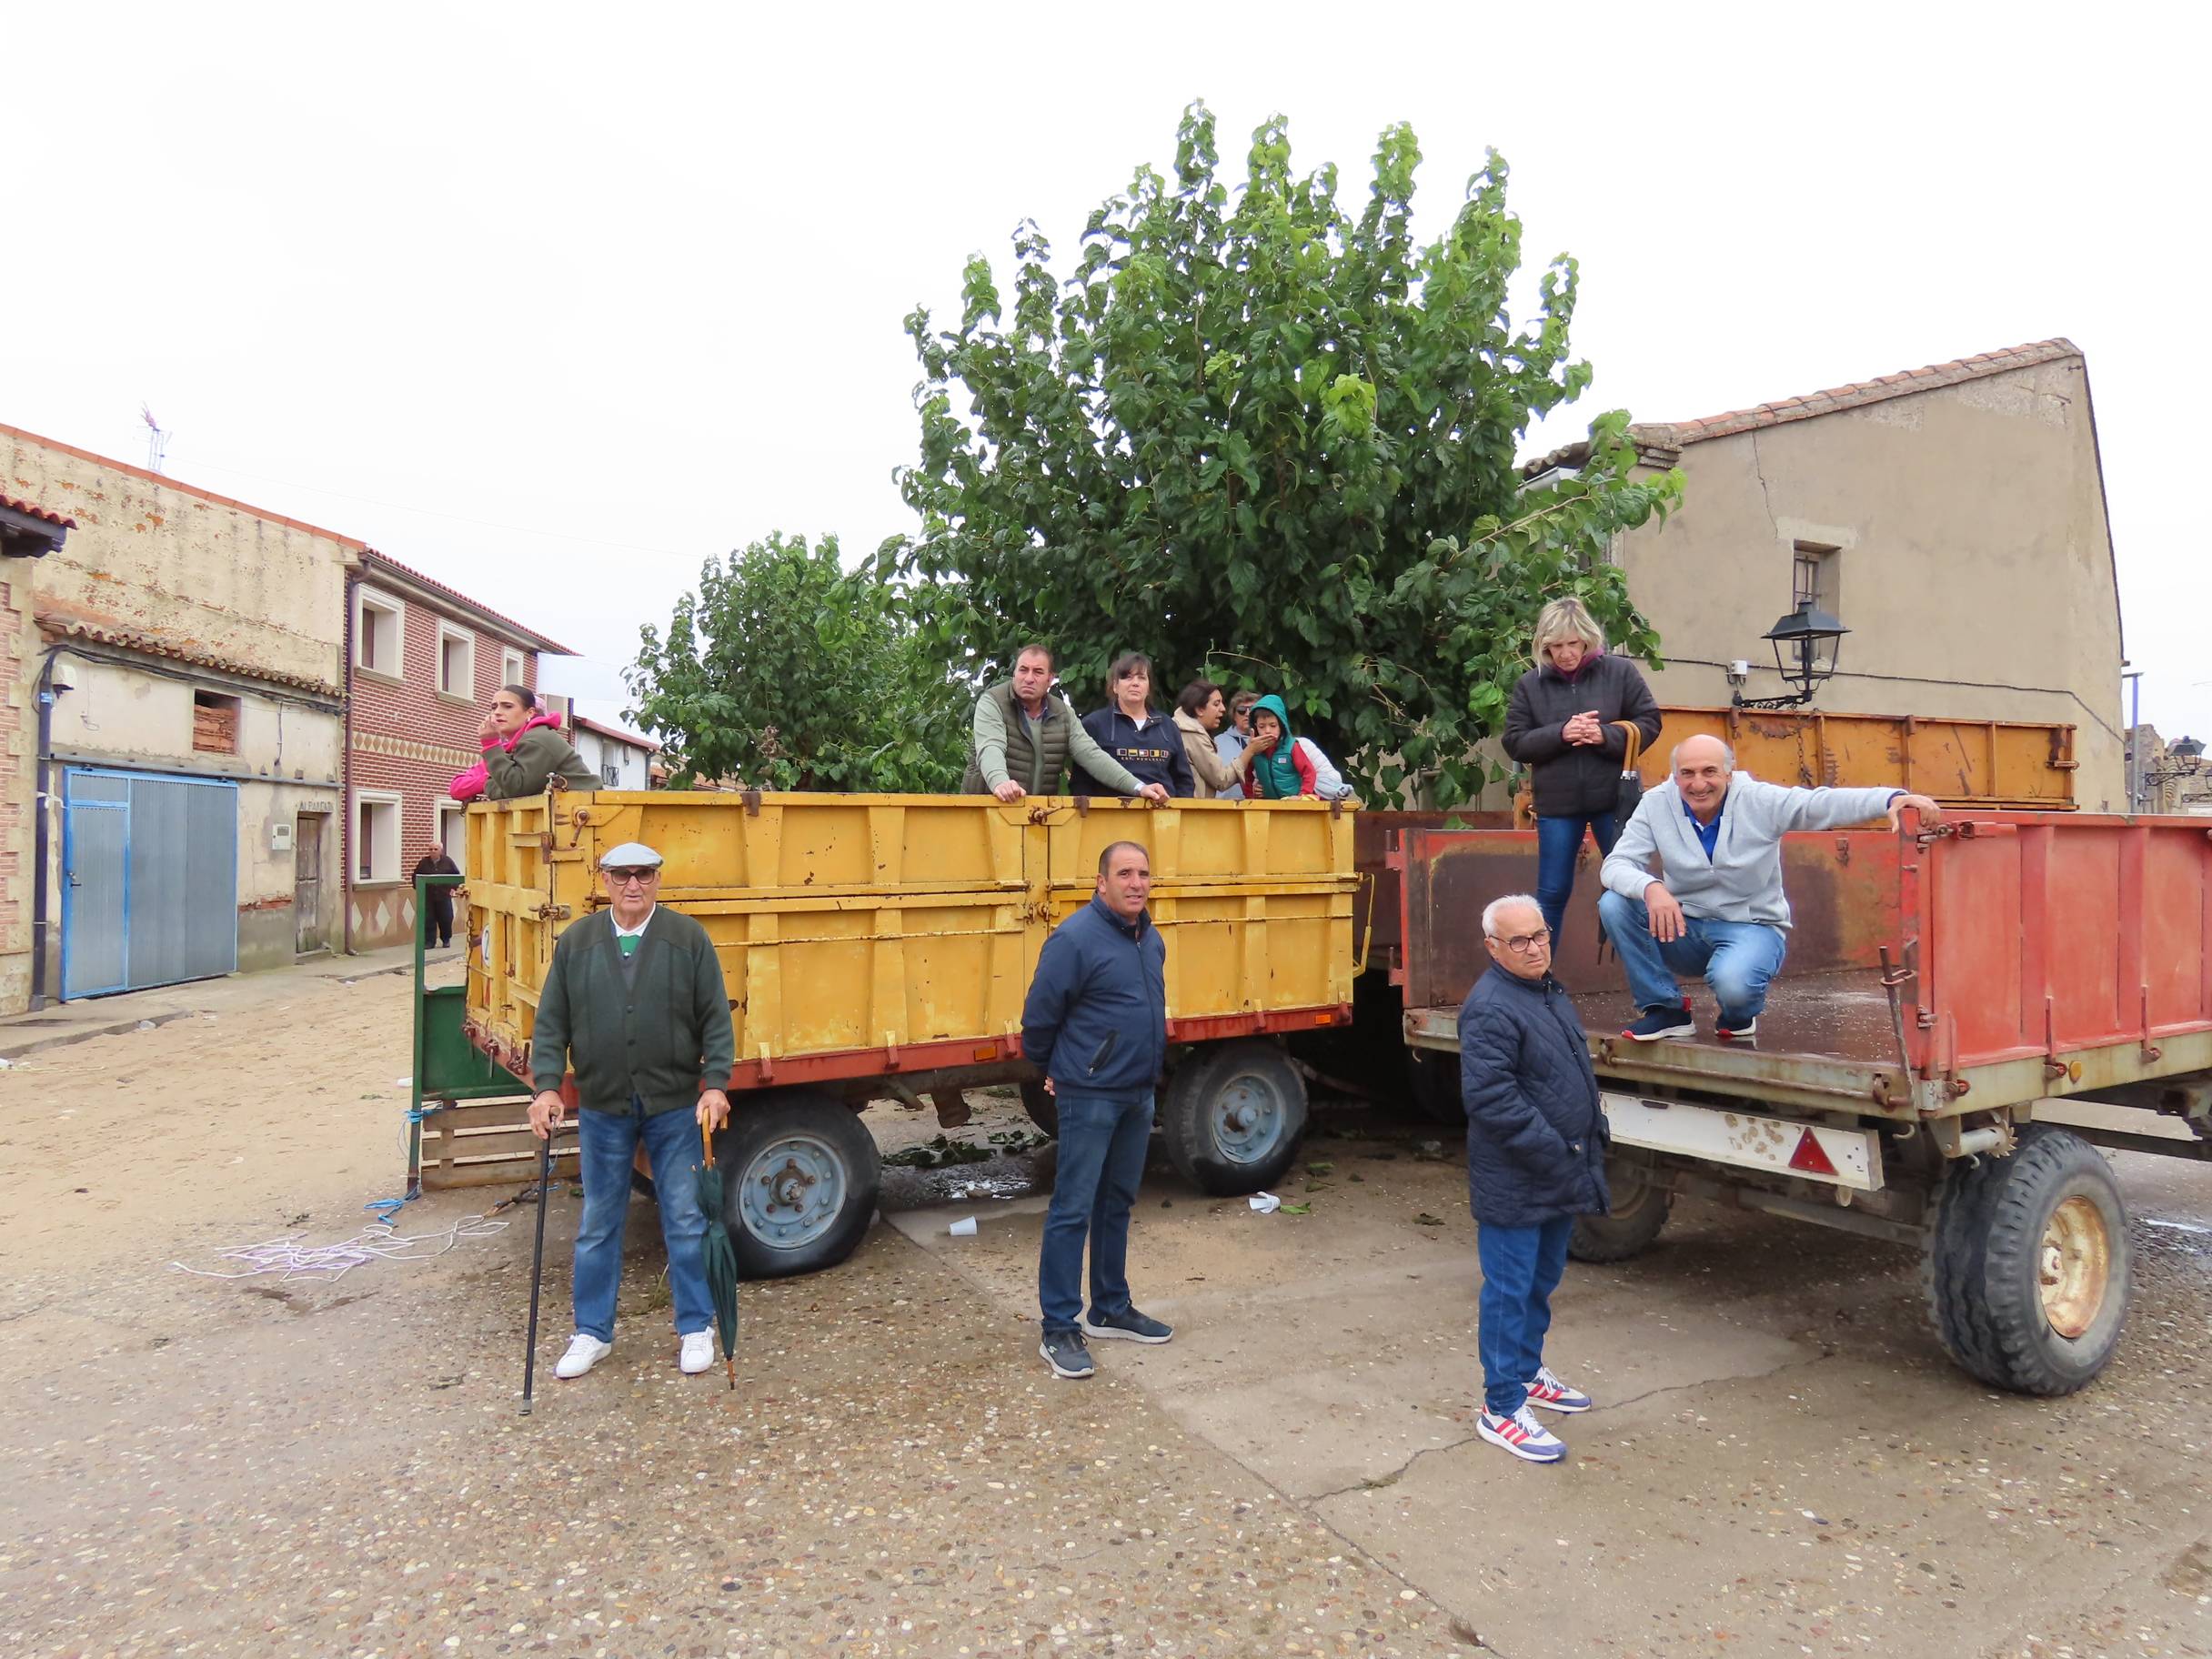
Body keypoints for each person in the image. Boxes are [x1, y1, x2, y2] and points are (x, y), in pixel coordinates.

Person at [526, 841, 736, 1381]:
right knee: (598, 1221)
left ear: (658, 879)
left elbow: (715, 1017)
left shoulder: (687, 938)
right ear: (605, 881)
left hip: (674, 1106)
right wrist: (546, 1088)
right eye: (622, 876)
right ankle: (591, 1333)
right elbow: (551, 1022)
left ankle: (696, 1326)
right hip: (603, 1107)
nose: (633, 885)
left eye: (644, 874)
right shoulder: (577, 943)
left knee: (685, 1217)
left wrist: (715, 1085)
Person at [1598, 735, 1945, 1041]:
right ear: (1675, 777)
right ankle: (1666, 1009)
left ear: (1729, 773)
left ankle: (1738, 1014)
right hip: (1684, 928)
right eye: (1687, 773)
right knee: (1614, 903)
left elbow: (1819, 804)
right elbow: (1616, 864)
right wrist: (1651, 888)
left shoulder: (1759, 800)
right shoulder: (1657, 804)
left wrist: (1890, 799)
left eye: (1709, 772)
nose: (1698, 784)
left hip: (1751, 926)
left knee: (1734, 986)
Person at [1458, 892, 1607, 1464]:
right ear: (1493, 947)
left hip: (1559, 1167)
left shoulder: (1546, 991)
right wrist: (1558, 1149)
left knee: (1541, 1281)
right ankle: (1500, 1407)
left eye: (1540, 935)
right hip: (1518, 1177)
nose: (1534, 948)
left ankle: (1526, 1372)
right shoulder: (1491, 1007)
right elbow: (1491, 1099)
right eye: (1518, 940)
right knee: (1508, 1291)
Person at [1021, 840, 1174, 1379]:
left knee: (1117, 1203)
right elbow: (1039, 1018)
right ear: (1101, 882)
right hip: (1090, 1094)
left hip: (1138, 1091)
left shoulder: (1150, 937)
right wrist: (1056, 1068)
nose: (1136, 883)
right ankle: (1058, 1327)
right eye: (1125, 873)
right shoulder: (1074, 939)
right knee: (1073, 1208)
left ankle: (1110, 1307)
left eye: (1144, 874)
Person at [1502, 597, 1663, 948]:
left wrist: (1604, 736)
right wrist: (1561, 734)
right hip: (1558, 805)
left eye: (1572, 644)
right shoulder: (1530, 684)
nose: (1565, 654)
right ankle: (1540, 973)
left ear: (1588, 639)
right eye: (1555, 646)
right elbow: (1515, 743)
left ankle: (1649, 972)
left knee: (1631, 886)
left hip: (1614, 801)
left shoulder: (1620, 672)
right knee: (1552, 892)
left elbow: (1650, 722)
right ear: (1544, 645)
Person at [963, 643, 1169, 803]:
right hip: (986, 806)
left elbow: (1091, 755)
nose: (1029, 678)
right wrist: (1001, 783)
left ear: (1050, 679)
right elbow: (991, 747)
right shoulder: (992, 702)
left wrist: (1139, 787)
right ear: (1014, 673)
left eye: (1038, 672)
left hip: (1036, 813)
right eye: (1023, 670)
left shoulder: (1062, 712)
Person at [1076, 652, 1195, 799]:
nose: (1135, 683)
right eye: (1127, 677)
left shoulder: (1168, 726)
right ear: (1115, 686)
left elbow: (1184, 780)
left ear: (1149, 687)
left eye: (1141, 677)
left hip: (1163, 810)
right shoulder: (1094, 724)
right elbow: (1081, 782)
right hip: (1110, 811)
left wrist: (1180, 808)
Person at [453, 685, 596, 801]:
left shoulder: (538, 739)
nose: (497, 712)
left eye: (507, 706)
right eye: (494, 707)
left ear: (530, 712)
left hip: (588, 813)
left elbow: (515, 790)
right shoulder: (523, 741)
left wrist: (490, 743)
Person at [1239, 694, 1353, 801]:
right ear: (1255, 727)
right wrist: (1250, 797)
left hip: (1295, 805)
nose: (1267, 730)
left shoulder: (1292, 747)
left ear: (1282, 725)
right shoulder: (1254, 751)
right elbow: (1245, 776)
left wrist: (1303, 796)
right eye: (1261, 726)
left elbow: (1309, 772)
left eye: (1273, 725)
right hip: (1271, 807)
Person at [1171, 679, 1247, 799]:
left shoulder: (1177, 727)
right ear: (1199, 709)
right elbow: (1222, 779)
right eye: (1216, 704)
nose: (1223, 708)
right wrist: (1250, 751)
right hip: (1190, 809)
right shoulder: (1192, 734)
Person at [411, 842, 461, 948]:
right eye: (431, 849)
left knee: (446, 918)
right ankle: (429, 942)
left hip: (444, 896)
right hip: (428, 896)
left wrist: (453, 888)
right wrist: (419, 888)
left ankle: (446, 939)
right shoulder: (423, 863)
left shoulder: (448, 861)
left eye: (435, 849)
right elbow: (415, 876)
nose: (433, 851)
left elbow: (456, 875)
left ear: (440, 850)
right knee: (429, 919)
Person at [1215, 690, 1260, 766]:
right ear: (1234, 715)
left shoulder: (1267, 739)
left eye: (1252, 710)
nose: (1248, 714)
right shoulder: (1217, 743)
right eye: (1241, 710)